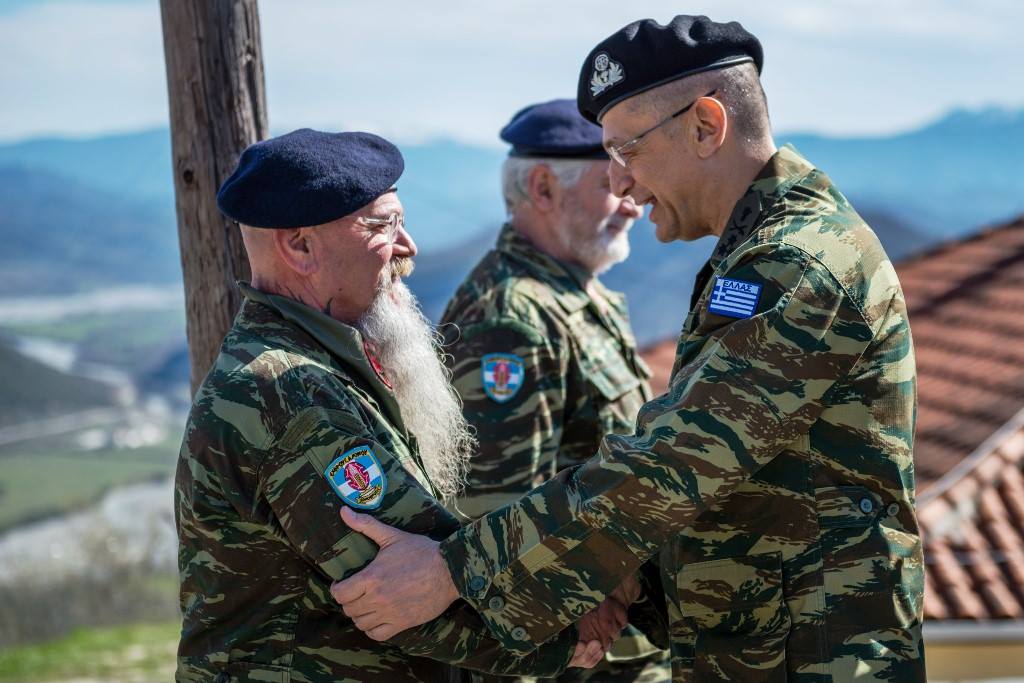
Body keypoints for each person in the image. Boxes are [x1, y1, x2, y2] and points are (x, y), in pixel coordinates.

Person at [331, 15, 926, 682]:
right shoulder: (758, 254)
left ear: (706, 125)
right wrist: (616, 578)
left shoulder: (796, 263)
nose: (621, 186)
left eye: (628, 151)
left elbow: (675, 462)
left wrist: (455, 569)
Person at [174, 128, 609, 682]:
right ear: (300, 245)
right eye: (384, 226)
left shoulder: (321, 361)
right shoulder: (286, 389)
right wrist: (570, 633)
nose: (409, 248)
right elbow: (400, 582)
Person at [442, 99, 669, 682]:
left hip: (616, 639)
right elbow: (496, 503)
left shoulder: (578, 292)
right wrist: (576, 605)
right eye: (612, 184)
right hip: (571, 650)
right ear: (543, 187)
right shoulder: (511, 314)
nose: (632, 206)